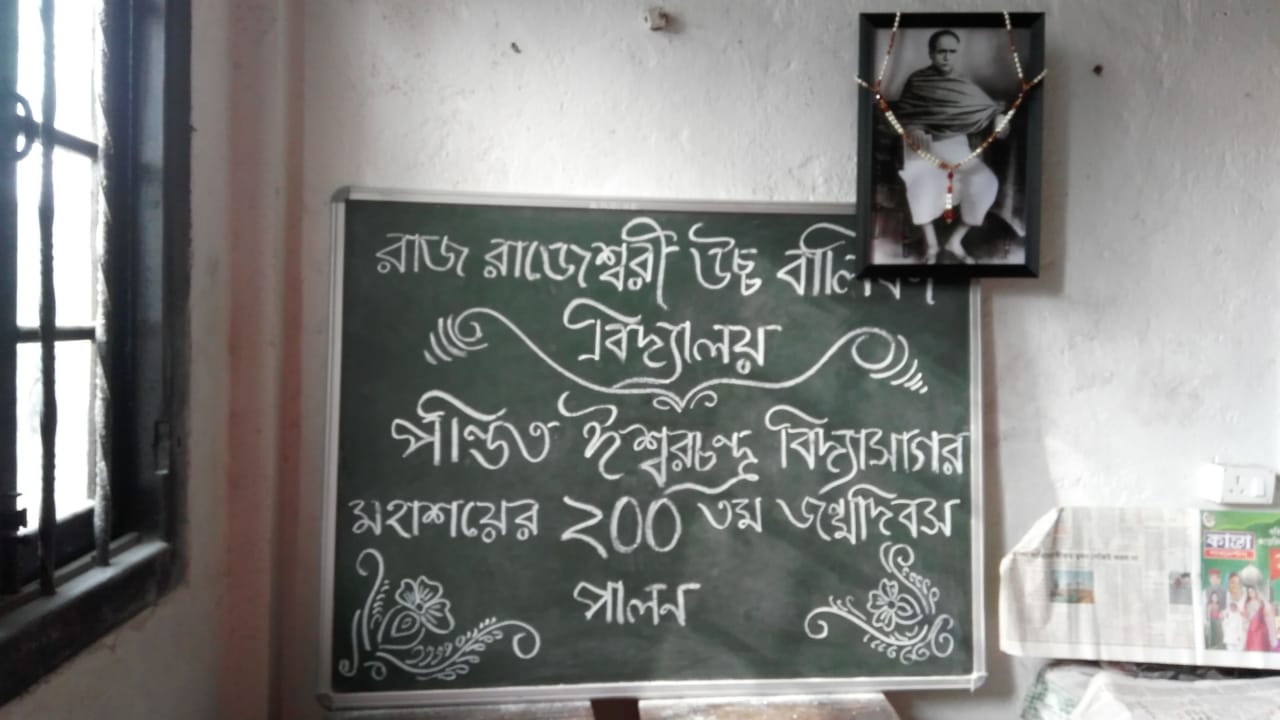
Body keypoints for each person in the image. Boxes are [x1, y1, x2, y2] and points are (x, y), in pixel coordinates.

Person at [892, 29, 1009, 264]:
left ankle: (955, 241)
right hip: (923, 149)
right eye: (941, 51)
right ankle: (932, 246)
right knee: (924, 182)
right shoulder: (917, 81)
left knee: (985, 181)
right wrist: (914, 129)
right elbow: (905, 116)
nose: (946, 56)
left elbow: (991, 111)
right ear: (931, 53)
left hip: (958, 150)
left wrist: (999, 119)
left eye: (951, 52)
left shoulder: (963, 84)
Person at [1222, 571, 1248, 651]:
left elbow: (1245, 608)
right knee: (1230, 649)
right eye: (1232, 581)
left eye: (1237, 581)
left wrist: (1240, 611)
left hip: (1241, 624)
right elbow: (1227, 608)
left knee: (1241, 649)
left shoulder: (1245, 591)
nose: (1235, 583)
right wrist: (1226, 614)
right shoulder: (1228, 593)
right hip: (1231, 626)